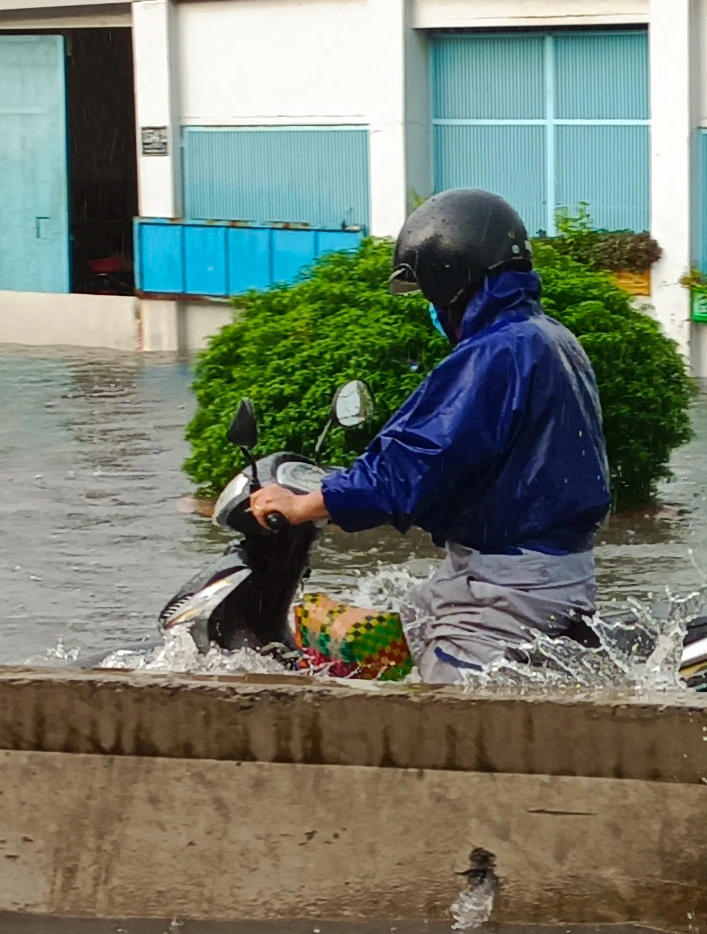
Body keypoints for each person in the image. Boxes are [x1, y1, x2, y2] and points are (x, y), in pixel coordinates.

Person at [248, 188, 611, 683]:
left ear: (450, 278)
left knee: (438, 707)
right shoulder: (546, 337)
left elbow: (414, 462)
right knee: (384, 636)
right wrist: (336, 491)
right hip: (519, 568)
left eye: (429, 292)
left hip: (513, 582)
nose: (432, 308)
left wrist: (302, 506)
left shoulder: (497, 353)